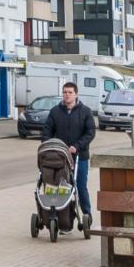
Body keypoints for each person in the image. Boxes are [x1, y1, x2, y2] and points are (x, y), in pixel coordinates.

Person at [41, 81, 98, 228]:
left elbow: (90, 132)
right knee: (57, 186)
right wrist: (48, 145)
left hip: (80, 156)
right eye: (65, 92)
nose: (67, 95)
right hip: (59, 158)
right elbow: (47, 130)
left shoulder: (85, 111)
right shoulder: (55, 111)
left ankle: (87, 214)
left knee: (79, 186)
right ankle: (59, 216)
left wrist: (77, 146)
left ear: (76, 94)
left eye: (70, 92)